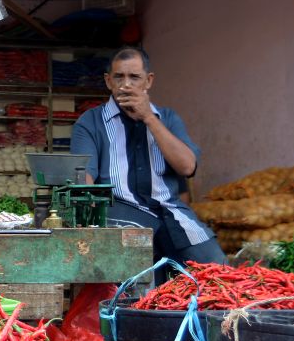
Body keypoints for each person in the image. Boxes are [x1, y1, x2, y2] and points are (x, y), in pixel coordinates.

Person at [70, 47, 227, 270]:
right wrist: (91, 220)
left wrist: (148, 118)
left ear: (148, 81)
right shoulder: (91, 122)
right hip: (119, 212)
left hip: (170, 211)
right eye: (119, 77)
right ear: (108, 81)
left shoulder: (167, 118)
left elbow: (187, 166)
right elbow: (82, 177)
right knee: (135, 279)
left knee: (216, 269)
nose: (126, 84)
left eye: (134, 77)